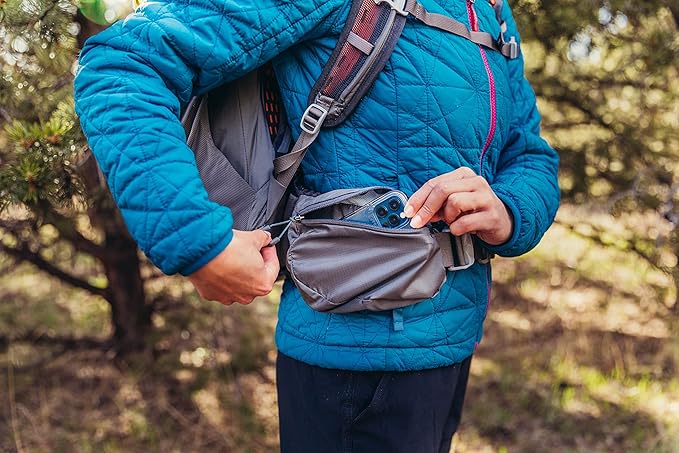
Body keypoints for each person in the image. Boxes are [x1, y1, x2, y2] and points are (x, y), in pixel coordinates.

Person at [73, 0, 560, 451]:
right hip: (351, 364)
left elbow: (529, 152)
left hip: (452, 345)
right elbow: (123, 65)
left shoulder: (493, 11)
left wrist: (509, 209)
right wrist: (199, 241)